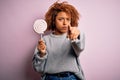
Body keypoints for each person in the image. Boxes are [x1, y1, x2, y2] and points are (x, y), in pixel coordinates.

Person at [32, 1, 85, 80]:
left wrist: (77, 35)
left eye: (68, 19)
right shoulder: (44, 40)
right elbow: (38, 69)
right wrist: (42, 54)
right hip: (50, 78)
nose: (65, 23)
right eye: (61, 19)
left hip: (71, 77)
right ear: (53, 20)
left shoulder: (73, 36)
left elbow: (80, 48)